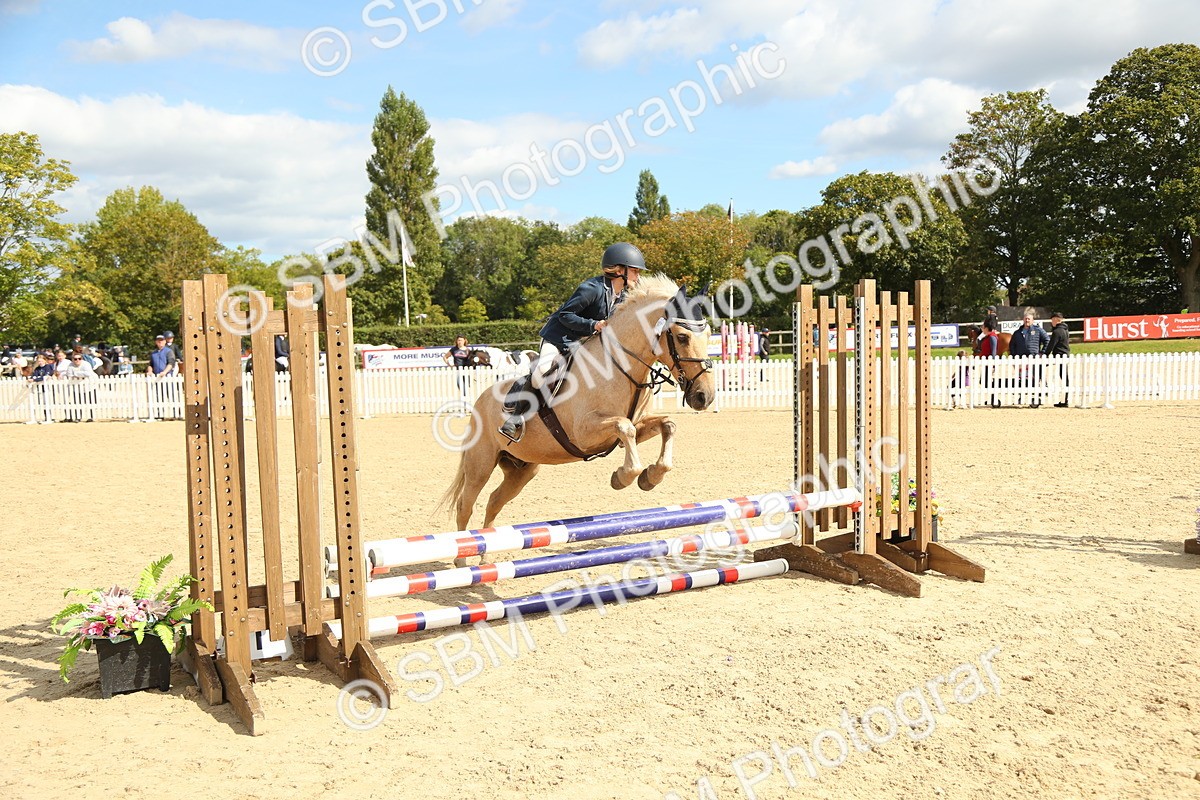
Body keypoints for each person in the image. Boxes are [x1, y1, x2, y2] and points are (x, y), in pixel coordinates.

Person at [498, 241, 645, 442]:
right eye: (635, 271)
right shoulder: (591, 289)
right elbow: (565, 315)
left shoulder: (623, 295)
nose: (638, 276)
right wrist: (593, 324)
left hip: (584, 343)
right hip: (559, 338)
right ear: (620, 270)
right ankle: (515, 418)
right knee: (542, 371)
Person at [1008, 307, 1048, 407]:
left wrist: (1042, 352)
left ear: (1032, 320)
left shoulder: (1038, 330)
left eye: (1029, 319)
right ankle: (1021, 397)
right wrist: (1014, 355)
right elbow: (1012, 345)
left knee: (1035, 378)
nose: (1027, 321)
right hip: (1021, 360)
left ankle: (1036, 398)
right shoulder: (1017, 332)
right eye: (1025, 319)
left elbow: (1047, 341)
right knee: (1022, 379)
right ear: (1023, 320)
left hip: (1034, 359)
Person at [1046, 311, 1071, 407]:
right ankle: (1066, 399)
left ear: (1057, 320)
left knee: (1064, 376)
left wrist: (1045, 355)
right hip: (1065, 355)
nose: (1051, 322)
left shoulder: (1057, 331)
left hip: (1060, 356)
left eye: (1052, 320)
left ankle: (1066, 400)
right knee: (1064, 376)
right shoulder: (1065, 330)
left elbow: (1051, 345)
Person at [978, 319, 1002, 407]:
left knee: (986, 381)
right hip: (986, 363)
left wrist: (992, 364)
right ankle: (992, 398)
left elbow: (993, 351)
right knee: (984, 381)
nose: (982, 329)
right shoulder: (988, 337)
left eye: (983, 327)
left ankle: (994, 398)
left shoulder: (992, 337)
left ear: (987, 328)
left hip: (989, 363)